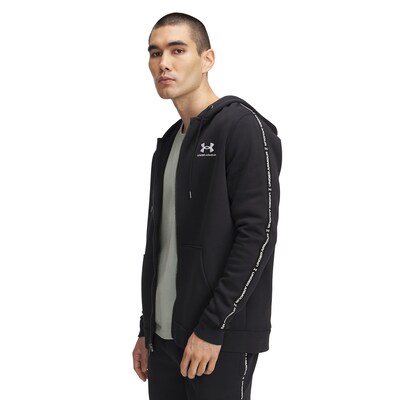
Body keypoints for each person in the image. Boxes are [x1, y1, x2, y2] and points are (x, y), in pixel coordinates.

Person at [132, 12, 282, 400]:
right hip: (164, 338)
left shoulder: (241, 127)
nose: (163, 63)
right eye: (155, 53)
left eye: (177, 50)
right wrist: (147, 329)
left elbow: (258, 235)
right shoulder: (169, 143)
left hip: (217, 340)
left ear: (207, 59)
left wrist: (214, 326)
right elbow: (161, 246)